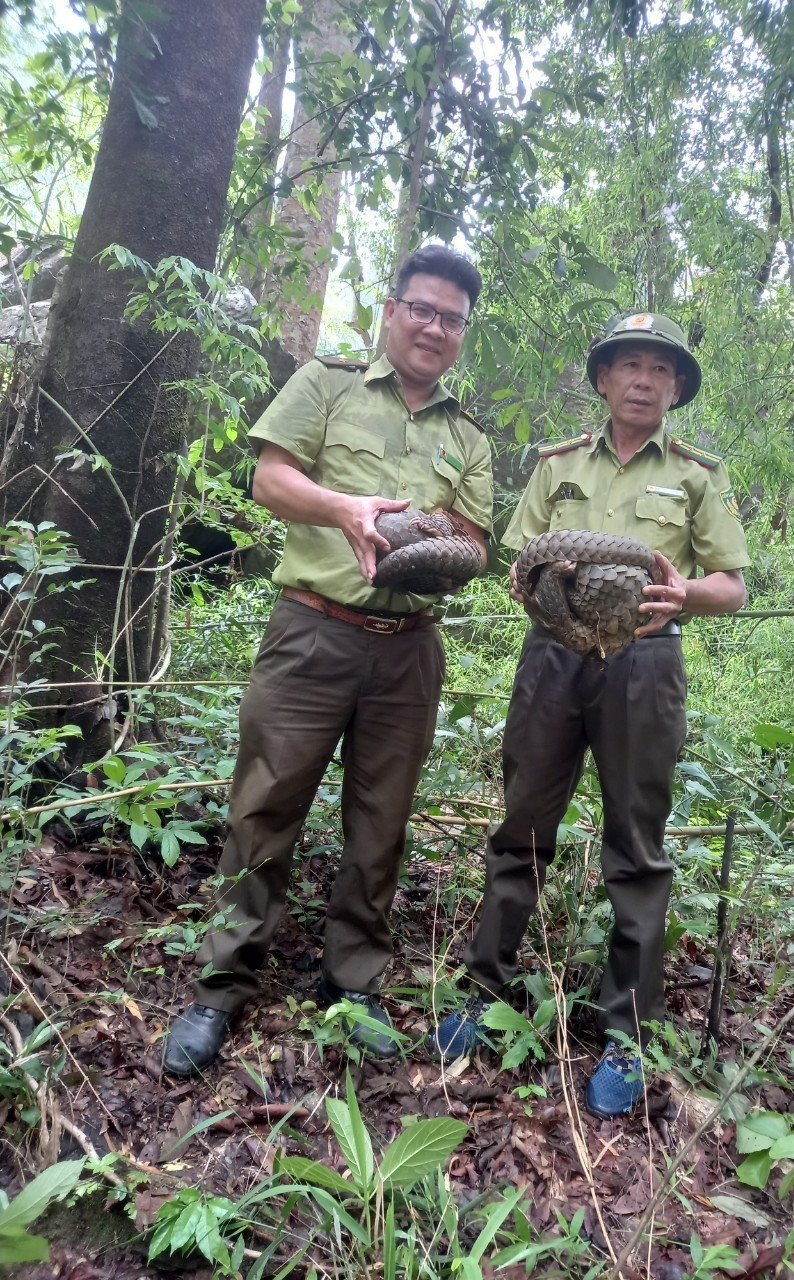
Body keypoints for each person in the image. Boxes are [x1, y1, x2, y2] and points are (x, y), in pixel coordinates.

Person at [164, 245, 493, 1075]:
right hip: (312, 632)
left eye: (451, 318)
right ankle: (223, 987)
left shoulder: (468, 437)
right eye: (421, 308)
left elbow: (480, 545)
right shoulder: (329, 384)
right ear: (391, 309)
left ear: (462, 333)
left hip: (409, 650)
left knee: (380, 826)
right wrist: (344, 508)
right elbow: (269, 480)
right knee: (265, 805)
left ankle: (352, 983)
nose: (434, 327)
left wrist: (444, 547)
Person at [435, 312, 750, 1118]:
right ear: (604, 379)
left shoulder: (697, 476)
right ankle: (484, 991)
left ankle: (626, 1034)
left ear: (676, 388)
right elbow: (517, 558)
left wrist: (686, 593)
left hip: (645, 665)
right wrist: (545, 570)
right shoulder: (557, 464)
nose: (643, 380)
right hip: (552, 658)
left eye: (660, 370)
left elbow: (732, 585)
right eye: (628, 365)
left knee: (636, 845)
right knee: (522, 825)